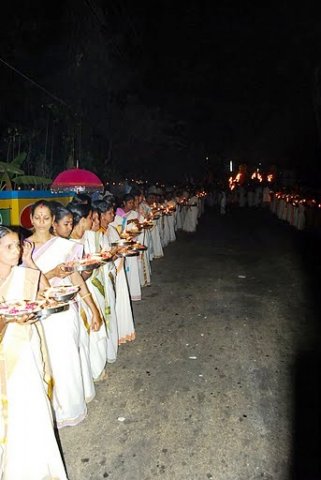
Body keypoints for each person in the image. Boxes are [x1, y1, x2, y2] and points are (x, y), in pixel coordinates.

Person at [0, 225, 68, 479]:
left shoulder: (23, 273)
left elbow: (45, 291)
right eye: (9, 246)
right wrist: (9, 318)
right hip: (7, 355)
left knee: (34, 407)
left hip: (27, 350)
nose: (16, 250)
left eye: (17, 245)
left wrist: (29, 261)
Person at [28, 200, 101, 428]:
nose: (41, 222)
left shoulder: (63, 246)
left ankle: (70, 408)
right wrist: (52, 272)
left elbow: (75, 278)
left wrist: (94, 309)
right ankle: (49, 411)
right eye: (37, 217)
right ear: (31, 219)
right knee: (44, 362)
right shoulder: (22, 249)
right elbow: (25, 284)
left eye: (46, 218)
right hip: (40, 314)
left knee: (67, 359)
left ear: (52, 221)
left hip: (64, 311)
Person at [98, 198, 136, 344]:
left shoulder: (111, 229)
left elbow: (118, 244)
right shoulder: (98, 233)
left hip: (118, 269)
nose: (113, 215)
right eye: (109, 213)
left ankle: (122, 329)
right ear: (101, 215)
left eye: (113, 212)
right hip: (109, 271)